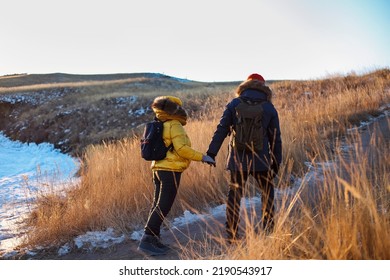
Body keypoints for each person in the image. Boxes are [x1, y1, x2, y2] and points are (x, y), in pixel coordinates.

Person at [206, 73, 282, 242]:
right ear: (263, 86)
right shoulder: (268, 107)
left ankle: (232, 234)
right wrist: (276, 162)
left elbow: (221, 130)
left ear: (246, 85)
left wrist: (211, 153)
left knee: (234, 196)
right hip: (262, 161)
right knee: (267, 194)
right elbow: (275, 138)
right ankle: (268, 231)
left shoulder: (234, 104)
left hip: (237, 161)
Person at [138, 95, 215, 256]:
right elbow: (182, 149)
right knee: (163, 206)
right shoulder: (174, 125)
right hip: (170, 170)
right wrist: (203, 157)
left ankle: (153, 238)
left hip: (157, 169)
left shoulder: (160, 124)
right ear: (176, 110)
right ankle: (147, 241)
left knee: (157, 205)